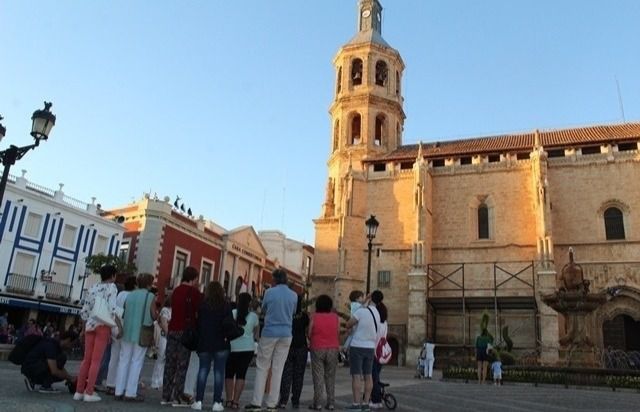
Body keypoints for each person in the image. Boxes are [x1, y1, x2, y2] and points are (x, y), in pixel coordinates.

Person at [244, 269, 297, 412]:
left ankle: (256, 402)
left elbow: (264, 309)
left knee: (262, 367)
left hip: (270, 332)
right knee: (278, 368)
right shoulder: (294, 295)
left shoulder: (269, 293)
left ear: (275, 280)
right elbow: (293, 312)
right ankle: (272, 404)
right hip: (286, 333)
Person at [75, 265, 123, 402]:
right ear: (113, 275)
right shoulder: (112, 288)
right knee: (97, 361)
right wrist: (119, 326)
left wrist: (83, 328)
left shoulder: (93, 287)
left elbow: (85, 310)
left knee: (86, 360)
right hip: (103, 325)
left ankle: (79, 391)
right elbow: (112, 310)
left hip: (90, 325)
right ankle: (89, 392)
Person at [162, 266, 203, 407]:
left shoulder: (176, 291)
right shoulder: (194, 292)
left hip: (172, 328)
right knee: (182, 365)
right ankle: (178, 397)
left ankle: (165, 396)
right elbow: (199, 311)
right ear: (194, 278)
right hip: (185, 331)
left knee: (170, 364)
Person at [115, 273, 157, 401]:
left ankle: (118, 390)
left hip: (127, 331)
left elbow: (120, 312)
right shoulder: (150, 296)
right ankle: (130, 392)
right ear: (149, 284)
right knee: (136, 362)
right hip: (141, 332)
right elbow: (153, 315)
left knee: (123, 361)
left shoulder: (130, 295)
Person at [191, 281, 231, 411]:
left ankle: (198, 401)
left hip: (204, 342)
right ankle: (216, 402)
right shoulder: (225, 306)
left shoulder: (202, 306)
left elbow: (198, 324)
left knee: (203, 370)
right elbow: (230, 324)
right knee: (219, 373)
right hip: (221, 343)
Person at [344, 292, 380, 411]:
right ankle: (365, 404)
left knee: (356, 376)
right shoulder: (376, 312)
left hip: (358, 346)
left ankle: (355, 404)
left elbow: (348, 324)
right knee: (368, 376)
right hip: (370, 347)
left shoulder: (360, 311)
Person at [225, 292, 259, 410]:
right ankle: (236, 401)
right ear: (249, 303)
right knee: (241, 375)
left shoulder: (233, 313)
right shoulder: (254, 317)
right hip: (247, 349)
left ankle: (228, 400)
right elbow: (256, 334)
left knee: (229, 374)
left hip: (232, 348)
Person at [104, 275, 137, 394]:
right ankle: (120, 384)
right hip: (123, 326)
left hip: (114, 325)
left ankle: (110, 383)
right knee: (124, 357)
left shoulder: (120, 294)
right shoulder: (132, 296)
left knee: (114, 356)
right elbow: (127, 313)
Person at [307, 294, 340, 411]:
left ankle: (318, 403)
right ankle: (331, 403)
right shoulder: (335, 317)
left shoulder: (314, 316)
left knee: (318, 376)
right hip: (333, 348)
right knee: (330, 376)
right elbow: (337, 332)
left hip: (317, 347)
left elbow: (310, 333)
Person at [277, 294, 309, 409]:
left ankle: (283, 400)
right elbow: (306, 330)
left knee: (286, 373)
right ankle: (295, 400)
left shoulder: (287, 314)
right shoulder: (304, 316)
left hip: (288, 345)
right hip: (301, 346)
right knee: (299, 375)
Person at [369, 291, 387, 410]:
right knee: (376, 376)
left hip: (373, 351)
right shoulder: (385, 322)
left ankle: (376, 400)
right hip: (381, 352)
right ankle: (376, 397)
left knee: (373, 377)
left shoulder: (374, 321)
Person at [151, 294, 172, 389]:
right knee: (161, 359)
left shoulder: (169, 310)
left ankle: (160, 380)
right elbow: (164, 324)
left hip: (168, 337)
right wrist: (170, 335)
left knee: (164, 360)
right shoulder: (165, 310)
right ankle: (155, 381)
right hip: (164, 337)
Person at [342, 291, 365, 355]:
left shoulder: (353, 304)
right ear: (356, 299)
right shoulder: (357, 305)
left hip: (354, 322)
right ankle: (345, 348)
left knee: (351, 335)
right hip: (355, 323)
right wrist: (368, 299)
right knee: (352, 336)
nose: (363, 298)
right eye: (362, 297)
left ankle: (345, 348)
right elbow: (363, 307)